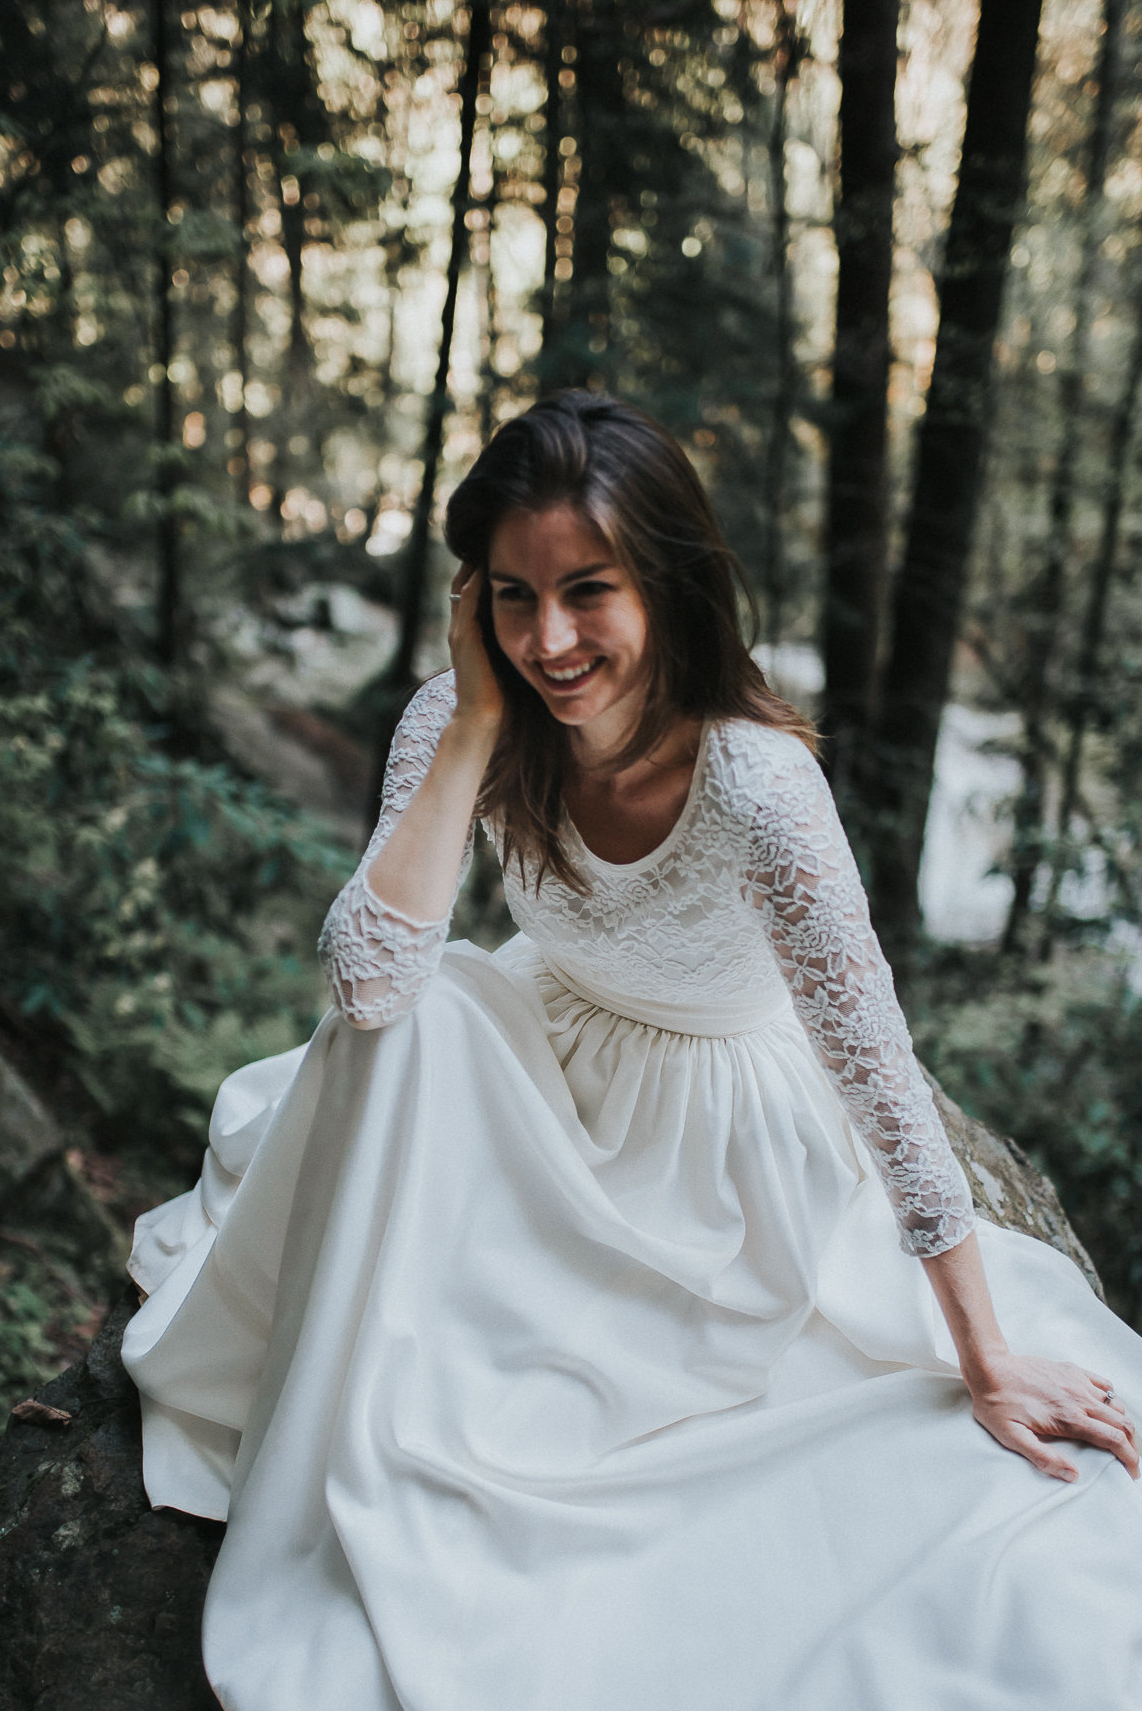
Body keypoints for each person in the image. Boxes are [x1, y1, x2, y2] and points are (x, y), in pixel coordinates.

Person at [124, 393, 1142, 1711]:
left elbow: (874, 1062)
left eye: (586, 592)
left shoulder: (755, 782)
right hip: (542, 1069)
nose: (548, 639)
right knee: (415, 1019)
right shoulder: (459, 718)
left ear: (665, 581)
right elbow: (366, 984)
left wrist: (981, 1351)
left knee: (578, 1437)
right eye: (510, 595)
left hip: (712, 1149)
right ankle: (350, 1397)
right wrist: (477, 726)